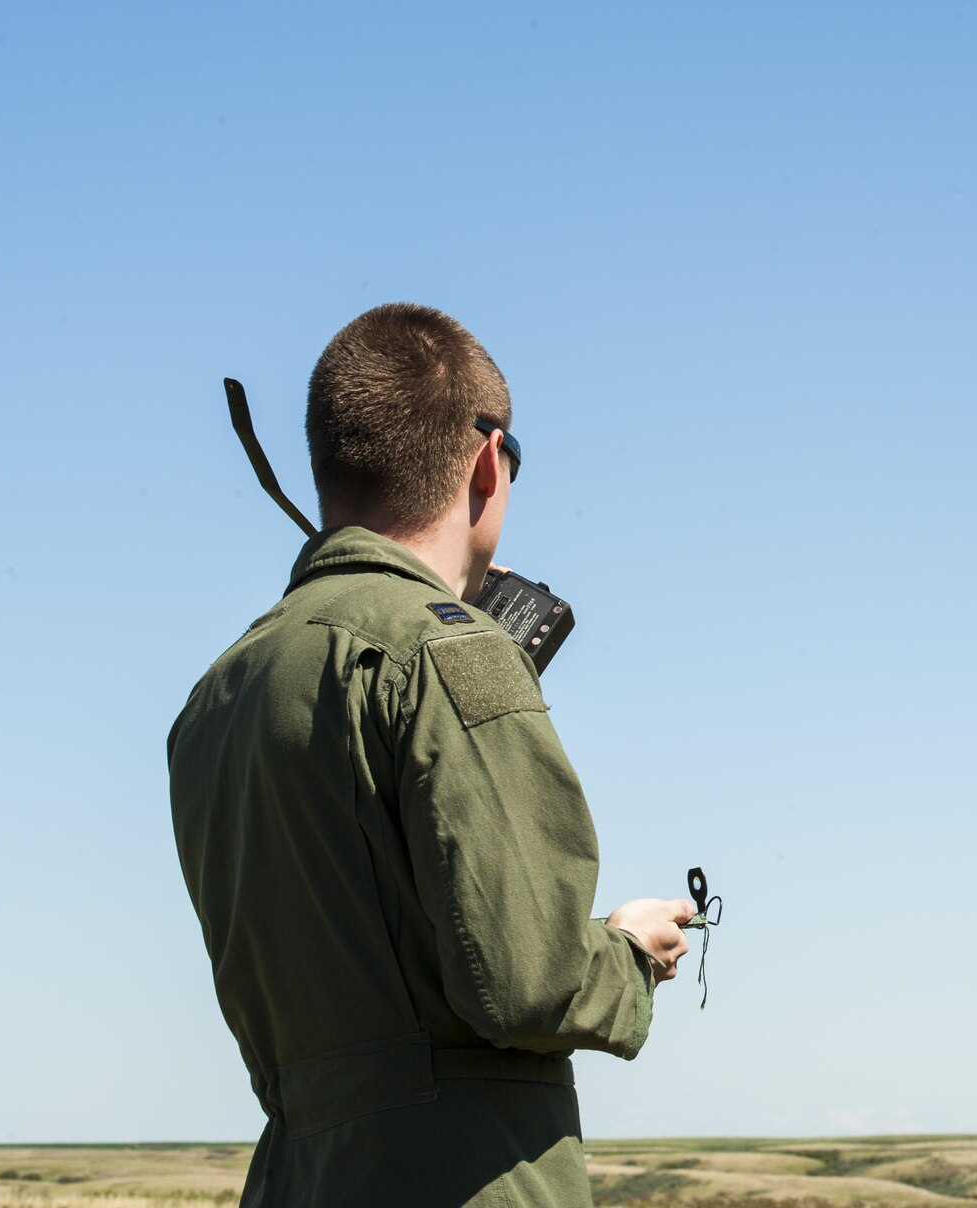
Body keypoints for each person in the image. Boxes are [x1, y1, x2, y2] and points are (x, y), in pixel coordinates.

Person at [168, 302, 694, 1208]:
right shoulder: (450, 652)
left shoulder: (222, 690)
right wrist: (628, 956)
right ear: (488, 461)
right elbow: (527, 984)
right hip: (462, 1178)